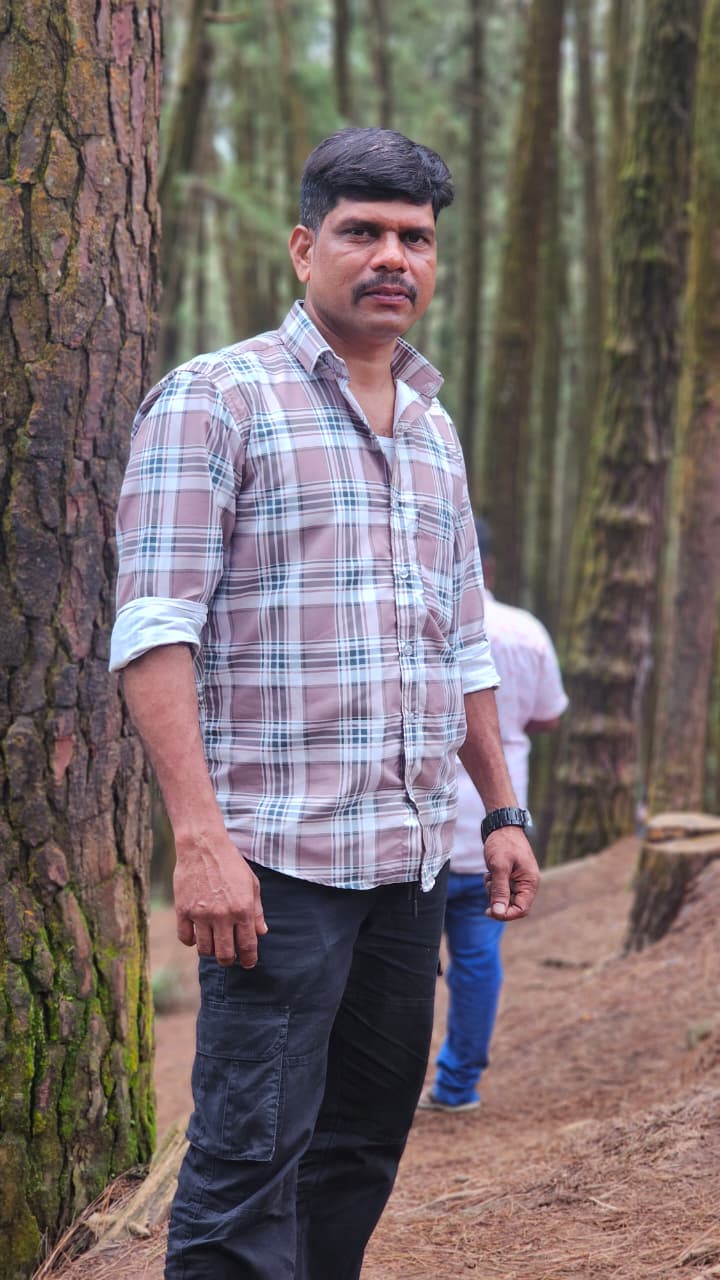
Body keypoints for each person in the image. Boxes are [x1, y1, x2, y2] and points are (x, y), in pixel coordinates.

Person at [109, 128, 540, 1280]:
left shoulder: (434, 432)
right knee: (246, 1164)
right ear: (306, 248)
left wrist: (501, 809)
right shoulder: (215, 400)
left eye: (416, 238)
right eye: (364, 232)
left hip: (411, 865)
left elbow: (460, 640)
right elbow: (153, 629)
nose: (393, 256)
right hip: (276, 870)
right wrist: (199, 838)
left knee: (358, 1151)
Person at [419, 517, 568, 1113]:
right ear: (492, 562)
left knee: (400, 967)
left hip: (423, 829)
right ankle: (457, 1086)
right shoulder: (526, 632)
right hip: (498, 828)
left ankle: (385, 1090)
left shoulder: (423, 622)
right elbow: (548, 714)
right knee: (478, 962)